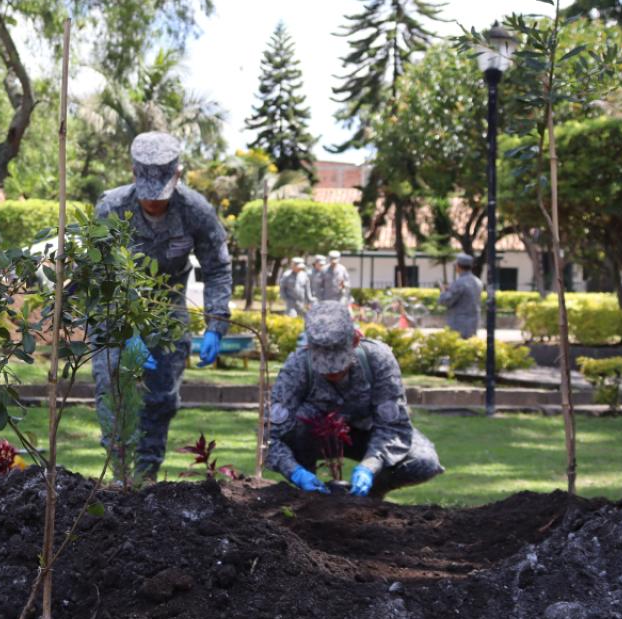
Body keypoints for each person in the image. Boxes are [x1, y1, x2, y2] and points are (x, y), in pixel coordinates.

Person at [92, 131, 233, 481]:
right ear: (133, 173)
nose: (153, 203)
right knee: (115, 390)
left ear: (177, 177)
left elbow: (217, 268)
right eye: (147, 195)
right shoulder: (111, 207)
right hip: (116, 315)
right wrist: (125, 333)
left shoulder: (196, 211)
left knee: (160, 399)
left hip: (167, 315)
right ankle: (120, 476)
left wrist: (216, 324)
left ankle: (146, 475)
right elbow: (99, 276)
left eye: (161, 195)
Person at [265, 301, 444, 498]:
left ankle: (370, 497)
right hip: (314, 440)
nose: (332, 371)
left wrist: (370, 466)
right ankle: (310, 499)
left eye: (339, 364)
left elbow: (394, 426)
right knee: (301, 420)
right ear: (309, 347)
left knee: (424, 462)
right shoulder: (297, 367)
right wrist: (295, 472)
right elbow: (269, 437)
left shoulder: (378, 359)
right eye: (325, 367)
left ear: (356, 340)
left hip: (369, 434)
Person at [439, 253, 484, 338]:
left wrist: (443, 292)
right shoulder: (478, 282)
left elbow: (446, 301)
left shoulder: (459, 283)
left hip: (458, 325)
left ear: (458, 266)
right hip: (473, 323)